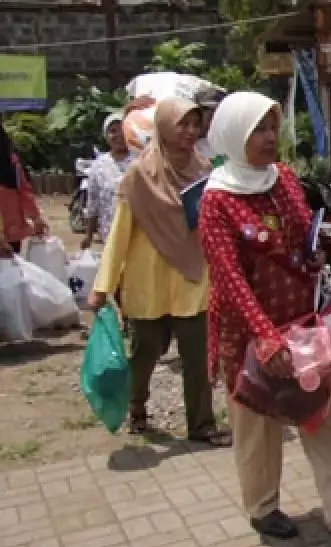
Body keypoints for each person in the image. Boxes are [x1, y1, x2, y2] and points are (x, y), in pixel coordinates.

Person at [198, 91, 331, 545]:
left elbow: (302, 238)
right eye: (258, 131)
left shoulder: (283, 178)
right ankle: (263, 508)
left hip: (303, 324)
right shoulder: (217, 201)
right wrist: (265, 339)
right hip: (247, 333)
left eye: (273, 127)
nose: (270, 138)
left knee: (322, 414)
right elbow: (229, 280)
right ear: (232, 135)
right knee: (257, 423)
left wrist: (322, 248)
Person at [87, 98, 229, 446]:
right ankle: (137, 409)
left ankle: (201, 425)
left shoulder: (204, 169)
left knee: (197, 357)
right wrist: (102, 286)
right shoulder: (139, 175)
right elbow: (120, 233)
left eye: (195, 124)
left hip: (192, 276)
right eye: (182, 124)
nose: (190, 131)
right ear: (164, 126)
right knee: (146, 352)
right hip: (147, 280)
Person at [81, 114, 136, 249]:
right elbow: (92, 203)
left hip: (137, 233)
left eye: (122, 130)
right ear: (106, 136)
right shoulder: (98, 165)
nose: (119, 135)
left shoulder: (140, 160)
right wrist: (88, 235)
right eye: (113, 131)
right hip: (109, 233)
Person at [0, 124, 49, 257]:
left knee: (10, 272)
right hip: (8, 232)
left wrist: (36, 218)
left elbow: (24, 191)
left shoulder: (11, 161)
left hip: (11, 231)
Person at [193, 85, 228, 165]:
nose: (215, 116)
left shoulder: (223, 143)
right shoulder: (182, 138)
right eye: (210, 111)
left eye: (219, 112)